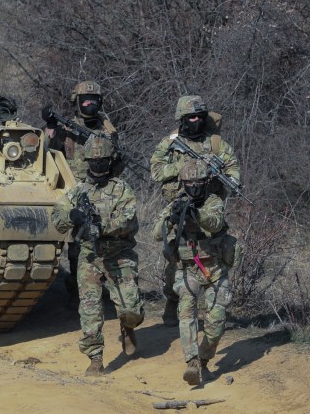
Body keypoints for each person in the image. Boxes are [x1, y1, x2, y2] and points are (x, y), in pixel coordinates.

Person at [52, 135, 144, 377]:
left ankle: (128, 326)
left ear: (110, 160)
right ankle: (95, 357)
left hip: (119, 253)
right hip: (90, 256)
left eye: (103, 160)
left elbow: (128, 219)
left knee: (131, 310)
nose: (98, 165)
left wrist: (102, 226)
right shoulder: (78, 191)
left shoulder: (122, 189)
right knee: (90, 309)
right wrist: (72, 216)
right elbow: (57, 217)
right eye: (94, 160)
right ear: (87, 161)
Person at [150, 95, 240, 327]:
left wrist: (225, 176)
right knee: (177, 260)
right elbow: (156, 171)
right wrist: (185, 166)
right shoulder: (170, 143)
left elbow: (233, 169)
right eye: (191, 117)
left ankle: (214, 308)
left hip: (208, 206)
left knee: (214, 255)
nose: (196, 121)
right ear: (182, 119)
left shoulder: (217, 144)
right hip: (179, 205)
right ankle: (173, 298)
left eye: (200, 116)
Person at [42, 81, 120, 299]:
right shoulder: (66, 128)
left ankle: (104, 287)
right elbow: (46, 151)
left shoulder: (108, 129)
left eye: (94, 100)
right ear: (76, 102)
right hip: (75, 192)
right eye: (84, 100)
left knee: (106, 240)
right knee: (78, 245)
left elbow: (117, 164)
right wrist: (49, 124)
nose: (89, 104)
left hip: (105, 191)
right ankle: (79, 290)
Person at [163, 159, 234, 385]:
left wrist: (197, 216)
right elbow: (157, 233)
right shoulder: (176, 202)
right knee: (187, 314)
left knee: (216, 323)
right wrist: (172, 219)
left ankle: (204, 360)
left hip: (215, 268)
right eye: (189, 182)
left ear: (206, 182)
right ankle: (192, 363)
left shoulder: (213, 201)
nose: (194, 186)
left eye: (199, 182)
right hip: (188, 268)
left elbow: (214, 222)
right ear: (182, 183)